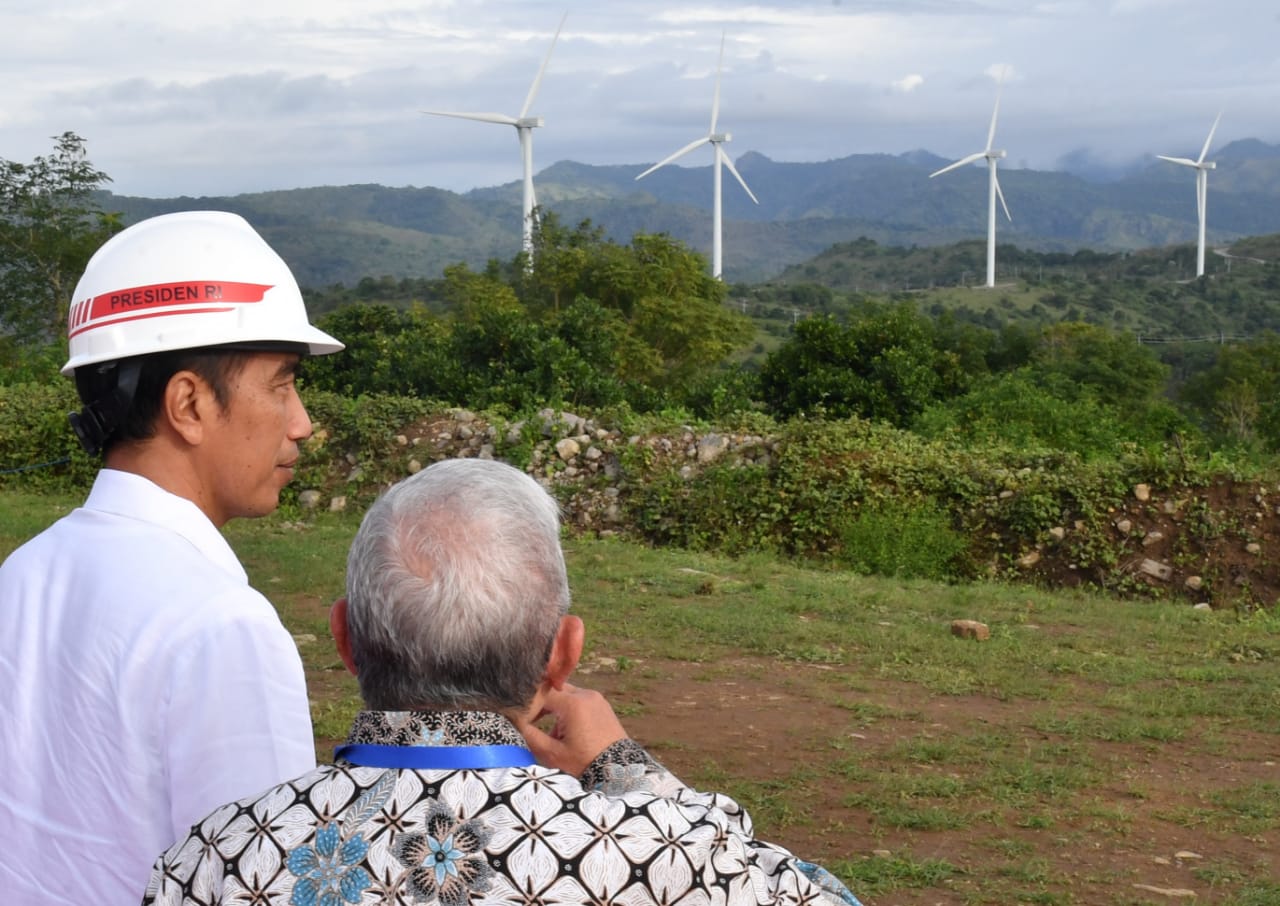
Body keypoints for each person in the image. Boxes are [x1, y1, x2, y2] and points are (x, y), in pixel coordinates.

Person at [143, 457, 863, 906]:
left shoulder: (214, 858)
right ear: (563, 655)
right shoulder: (669, 854)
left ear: (345, 640)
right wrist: (626, 772)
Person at [0, 210, 345, 904]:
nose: (302, 422)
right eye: (281, 384)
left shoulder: (24, 575)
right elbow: (269, 885)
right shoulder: (221, 626)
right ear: (188, 403)